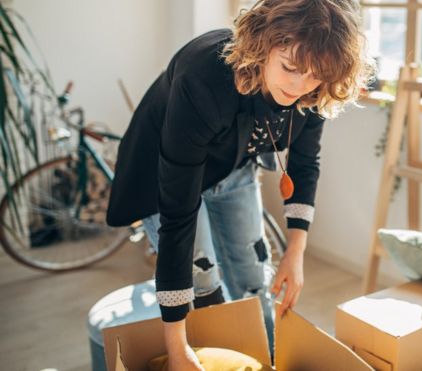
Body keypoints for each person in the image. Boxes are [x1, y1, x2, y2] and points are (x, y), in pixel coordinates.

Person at [106, 0, 374, 369]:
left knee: (252, 277)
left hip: (233, 168)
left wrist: (296, 252)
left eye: (314, 76)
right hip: (164, 174)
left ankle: (265, 360)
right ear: (265, 44)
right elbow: (179, 216)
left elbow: (304, 163)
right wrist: (176, 349)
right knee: (203, 282)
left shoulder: (312, 83)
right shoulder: (202, 78)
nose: (300, 86)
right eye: (290, 68)